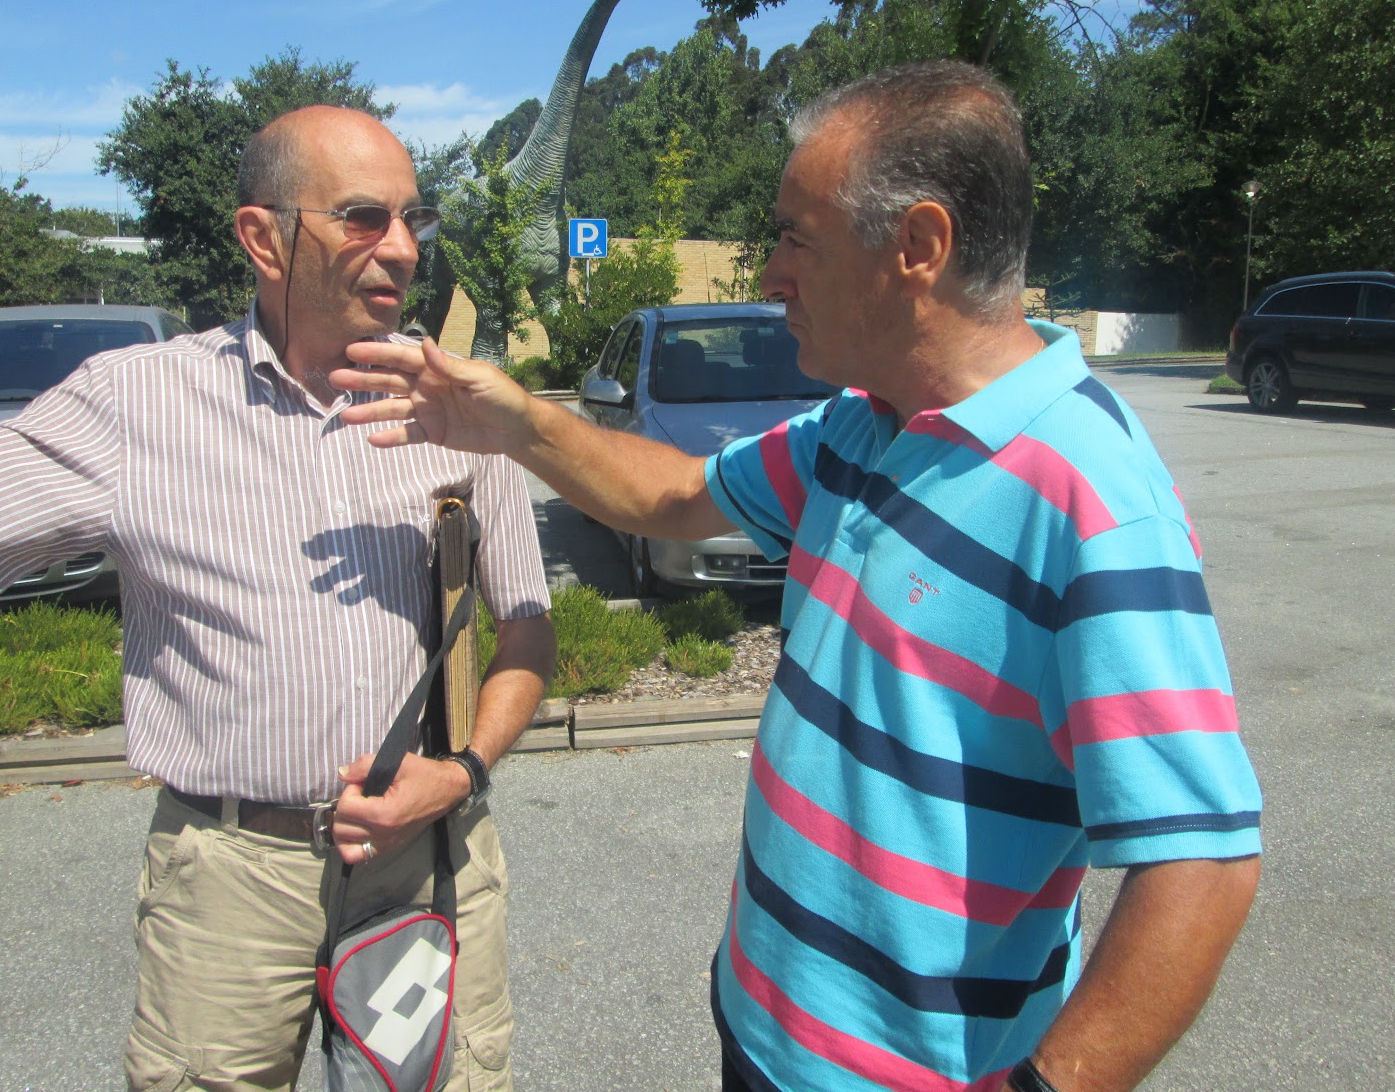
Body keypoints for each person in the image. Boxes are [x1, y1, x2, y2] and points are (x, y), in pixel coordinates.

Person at [330, 62, 1263, 1092]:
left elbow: (1203, 861)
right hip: (761, 1026)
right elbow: (677, 496)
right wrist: (513, 421)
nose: (770, 275)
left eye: (795, 238)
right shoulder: (858, 426)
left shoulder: (1091, 497)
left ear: (917, 247)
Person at [0, 106, 555, 1092]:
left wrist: (462, 772)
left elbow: (526, 633)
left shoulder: (461, 405)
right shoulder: (138, 405)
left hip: (429, 860)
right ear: (263, 236)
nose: (402, 248)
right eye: (362, 218)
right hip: (228, 881)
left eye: (412, 219)